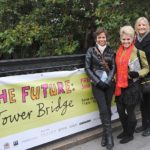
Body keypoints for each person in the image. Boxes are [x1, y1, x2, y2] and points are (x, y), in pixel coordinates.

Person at [115, 25, 149, 144]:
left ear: (133, 38)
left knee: (130, 112)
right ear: (121, 39)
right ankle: (125, 130)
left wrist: (137, 73)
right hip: (120, 85)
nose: (126, 41)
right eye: (124, 39)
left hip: (132, 86)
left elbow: (146, 68)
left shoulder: (139, 52)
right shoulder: (118, 52)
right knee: (119, 110)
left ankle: (130, 134)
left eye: (128, 39)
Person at [85, 27, 115, 150]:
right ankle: (109, 137)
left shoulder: (110, 51)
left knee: (107, 109)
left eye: (103, 37)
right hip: (97, 85)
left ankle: (105, 134)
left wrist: (107, 81)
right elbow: (87, 68)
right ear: (96, 39)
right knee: (103, 109)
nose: (101, 39)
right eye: (99, 37)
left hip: (109, 84)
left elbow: (113, 67)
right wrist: (98, 81)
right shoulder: (90, 51)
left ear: (106, 38)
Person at [134, 17, 150, 136]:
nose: (141, 27)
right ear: (136, 27)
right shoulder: (135, 40)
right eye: (139, 25)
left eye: (144, 25)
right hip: (140, 76)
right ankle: (144, 124)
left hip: (149, 75)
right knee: (143, 102)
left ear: (148, 26)